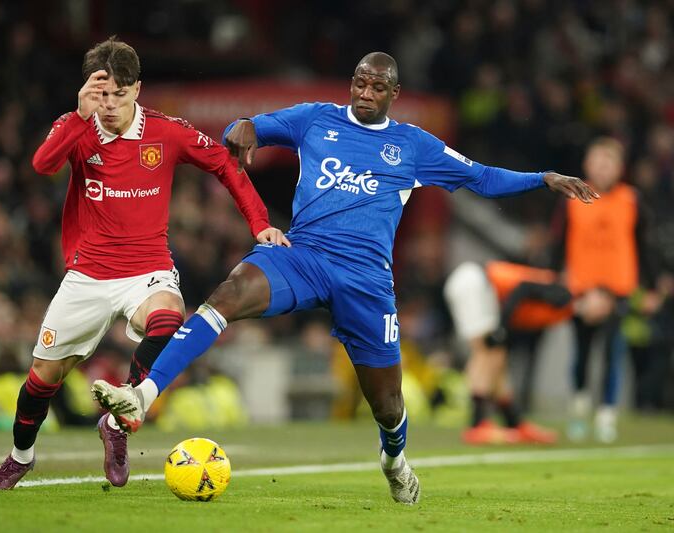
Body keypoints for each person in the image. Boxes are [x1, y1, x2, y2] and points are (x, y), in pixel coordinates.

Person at [91, 52, 597, 504]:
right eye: (359, 82)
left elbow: (481, 177)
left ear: (393, 94)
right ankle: (143, 395)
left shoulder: (413, 145)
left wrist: (543, 179)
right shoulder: (316, 119)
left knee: (387, 403)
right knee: (229, 291)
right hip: (304, 255)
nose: (365, 93)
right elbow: (251, 127)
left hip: (366, 281)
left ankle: (394, 459)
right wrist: (243, 127)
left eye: (377, 87)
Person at [0, 37, 287, 490]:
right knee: (42, 379)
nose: (108, 104)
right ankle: (20, 456)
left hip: (147, 269)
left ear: (137, 89)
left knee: (169, 317)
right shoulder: (77, 126)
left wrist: (259, 223)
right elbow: (43, 165)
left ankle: (118, 423)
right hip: (87, 275)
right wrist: (79, 113)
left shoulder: (166, 132)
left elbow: (226, 164)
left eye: (118, 94)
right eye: (100, 93)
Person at [550, 137, 656, 442]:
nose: (602, 167)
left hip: (618, 289)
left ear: (619, 168)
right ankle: (579, 410)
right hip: (581, 289)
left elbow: (643, 244)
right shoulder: (570, 198)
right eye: (597, 161)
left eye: (608, 162)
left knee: (613, 352)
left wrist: (650, 286)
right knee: (581, 353)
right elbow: (558, 244)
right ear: (587, 165)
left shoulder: (631, 200)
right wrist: (556, 279)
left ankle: (607, 414)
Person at [444, 261, 613, 445]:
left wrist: (503, 328)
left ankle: (514, 422)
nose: (602, 311)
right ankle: (477, 424)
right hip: (476, 282)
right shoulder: (566, 294)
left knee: (498, 356)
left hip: (480, 287)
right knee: (487, 351)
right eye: (602, 302)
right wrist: (502, 327)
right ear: (592, 294)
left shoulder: (567, 309)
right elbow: (522, 289)